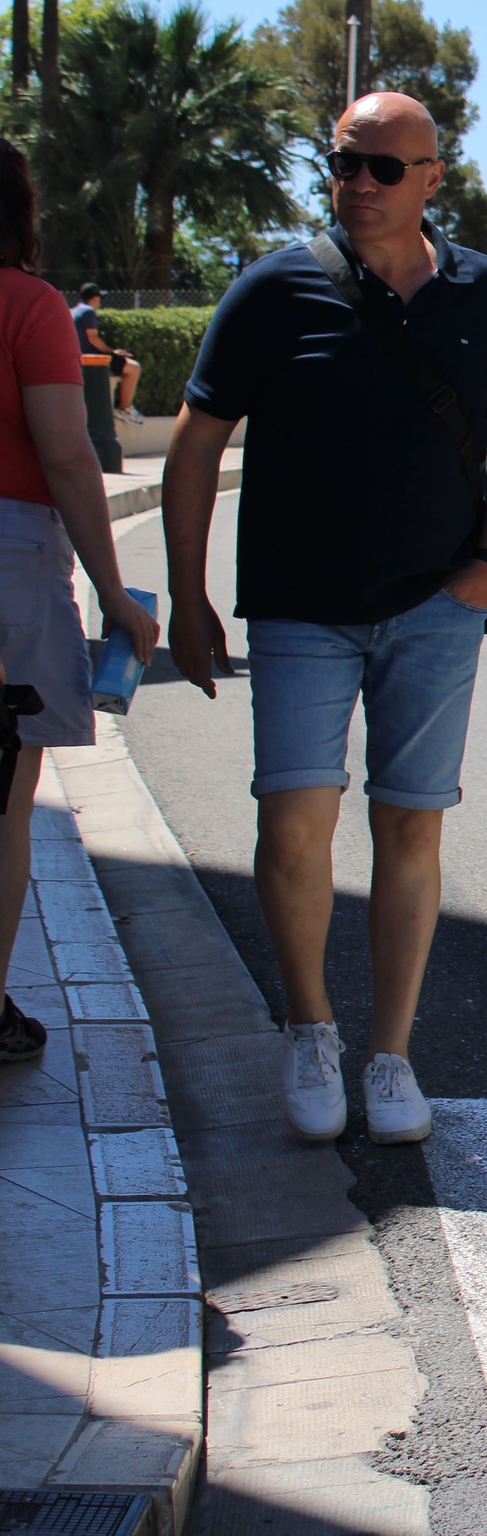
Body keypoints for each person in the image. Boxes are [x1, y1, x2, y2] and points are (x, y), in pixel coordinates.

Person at [163, 92, 487, 1145]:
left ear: (433, 178)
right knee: (293, 823)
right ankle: (309, 1030)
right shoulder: (276, 289)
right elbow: (196, 442)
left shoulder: (481, 295)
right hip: (299, 607)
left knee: (408, 826)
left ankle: (389, 1055)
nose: (360, 184)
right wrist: (187, 591)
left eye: (385, 167)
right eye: (345, 163)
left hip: (434, 607)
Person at [0, 148, 159, 1062]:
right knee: (8, 806)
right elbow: (66, 454)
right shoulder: (30, 308)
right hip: (11, 561)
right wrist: (110, 590)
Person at [70, 282, 143, 422]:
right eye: (99, 297)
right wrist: (113, 353)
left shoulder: (76, 310)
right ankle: (124, 409)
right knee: (134, 368)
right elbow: (93, 338)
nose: (100, 301)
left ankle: (124, 408)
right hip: (92, 360)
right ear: (93, 298)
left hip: (80, 357)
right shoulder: (88, 311)